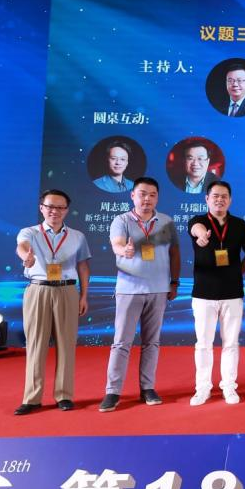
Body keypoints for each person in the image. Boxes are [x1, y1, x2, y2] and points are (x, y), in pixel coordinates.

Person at [99, 177, 181, 412]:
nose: (147, 199)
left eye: (152, 194)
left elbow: (174, 254)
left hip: (159, 289)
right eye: (142, 194)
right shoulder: (121, 220)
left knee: (152, 342)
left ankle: (148, 388)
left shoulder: (166, 221)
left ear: (157, 197)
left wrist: (174, 282)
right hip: (129, 290)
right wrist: (123, 250)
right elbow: (116, 244)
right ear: (132, 195)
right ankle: (113, 391)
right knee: (121, 343)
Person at [13, 189, 91, 415]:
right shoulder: (29, 232)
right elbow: (21, 246)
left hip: (67, 290)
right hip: (38, 289)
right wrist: (26, 257)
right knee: (36, 344)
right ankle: (32, 398)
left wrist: (84, 295)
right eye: (49, 207)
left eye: (59, 207)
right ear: (42, 208)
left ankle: (64, 395)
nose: (54, 211)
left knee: (67, 344)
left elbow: (83, 266)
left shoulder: (77, 236)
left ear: (66, 210)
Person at [188, 181, 245, 406]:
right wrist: (202, 236)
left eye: (224, 196)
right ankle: (202, 388)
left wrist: (238, 272)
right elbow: (196, 229)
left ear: (230, 200)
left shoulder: (239, 224)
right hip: (203, 294)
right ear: (207, 199)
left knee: (231, 343)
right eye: (215, 196)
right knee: (203, 343)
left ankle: (229, 386)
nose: (219, 199)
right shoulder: (198, 221)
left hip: (232, 293)